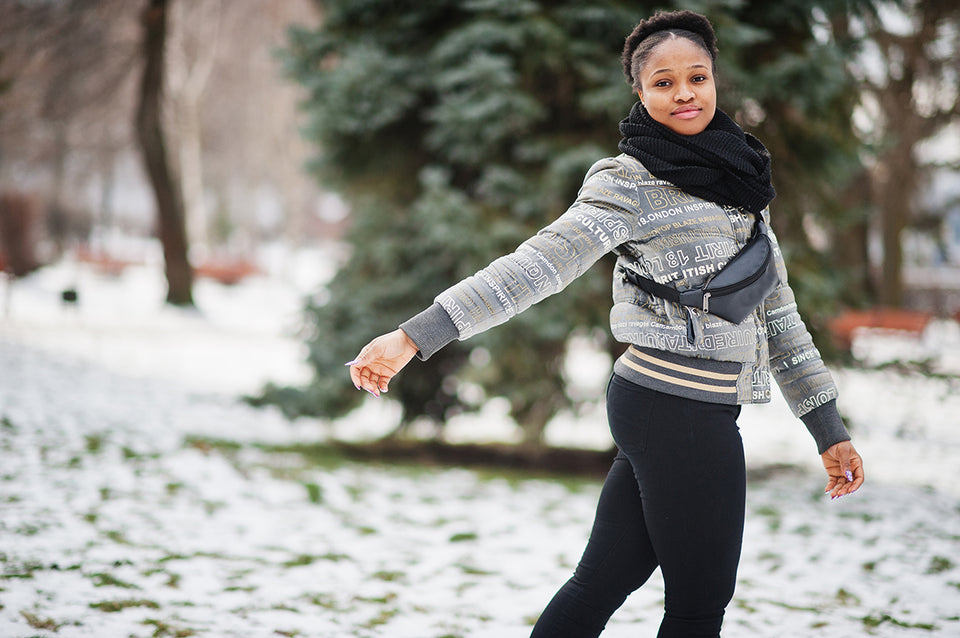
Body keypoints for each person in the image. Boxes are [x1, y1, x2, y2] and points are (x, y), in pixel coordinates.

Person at [347, 9, 864, 638]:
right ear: (640, 94)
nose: (683, 94)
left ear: (715, 82)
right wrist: (415, 335)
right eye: (663, 82)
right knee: (700, 606)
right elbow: (535, 267)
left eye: (697, 77)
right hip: (676, 407)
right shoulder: (629, 183)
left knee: (602, 582)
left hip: (680, 410)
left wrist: (825, 427)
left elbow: (779, 316)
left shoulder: (741, 184)